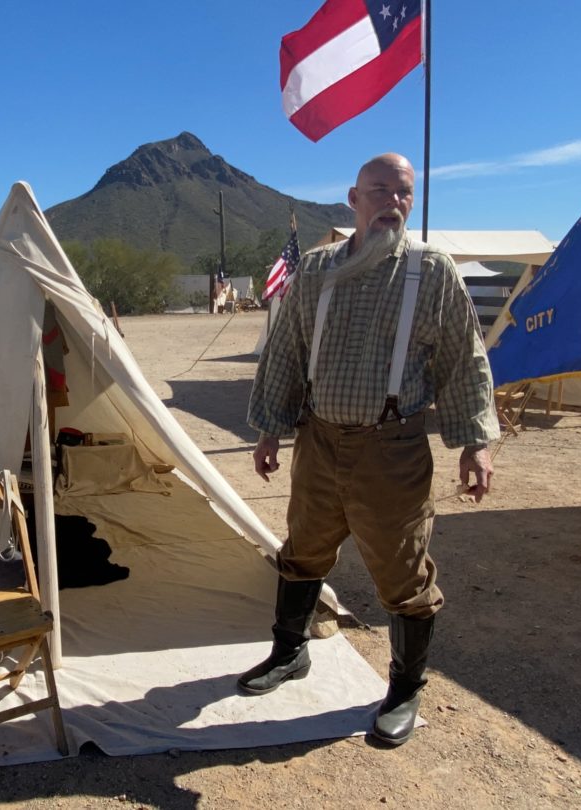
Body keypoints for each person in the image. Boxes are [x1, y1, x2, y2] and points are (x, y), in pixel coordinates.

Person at [240, 153, 498, 746]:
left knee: (402, 571)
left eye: (404, 193)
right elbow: (285, 351)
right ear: (353, 199)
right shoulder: (317, 269)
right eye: (379, 190)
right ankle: (289, 653)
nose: (393, 202)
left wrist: (475, 443)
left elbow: (464, 359)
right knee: (303, 549)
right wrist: (270, 428)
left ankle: (405, 691)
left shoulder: (431, 271)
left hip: (392, 448)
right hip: (319, 441)